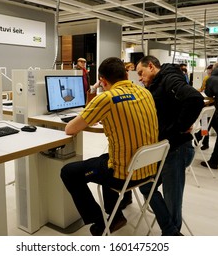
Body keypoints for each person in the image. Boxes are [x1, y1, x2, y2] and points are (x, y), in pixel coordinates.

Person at [60, 57, 169, 236]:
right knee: (104, 160)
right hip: (148, 169)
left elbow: (70, 129)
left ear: (102, 81)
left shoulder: (106, 98)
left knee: (69, 172)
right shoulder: (145, 92)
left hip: (124, 174)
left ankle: (101, 221)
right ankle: (116, 214)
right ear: (126, 74)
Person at [136, 55, 204, 234]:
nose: (140, 78)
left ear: (151, 66)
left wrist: (178, 128)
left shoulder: (169, 78)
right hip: (166, 148)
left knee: (172, 199)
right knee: (145, 185)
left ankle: (172, 233)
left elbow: (194, 99)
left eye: (141, 73)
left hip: (176, 148)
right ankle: (170, 229)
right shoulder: (160, 81)